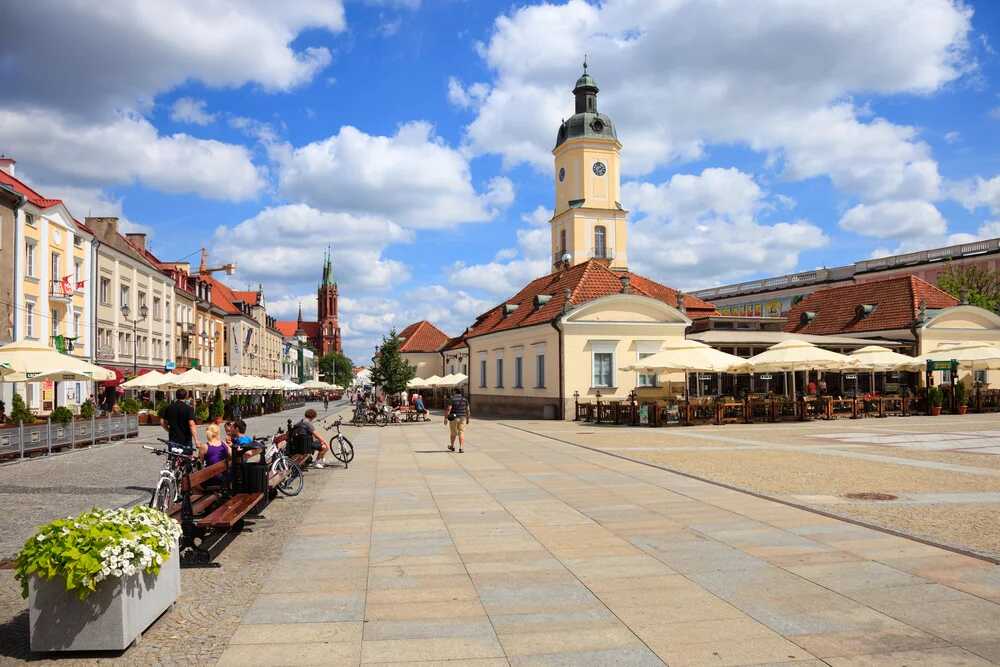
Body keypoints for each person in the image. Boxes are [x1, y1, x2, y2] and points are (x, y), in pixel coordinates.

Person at [444, 388, 469, 453]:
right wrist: (468, 418)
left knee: (453, 432)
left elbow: (449, 409)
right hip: (463, 418)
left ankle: (452, 446)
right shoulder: (465, 399)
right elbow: (468, 410)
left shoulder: (451, 399)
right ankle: (461, 448)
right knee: (461, 432)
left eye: (453, 392)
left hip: (454, 418)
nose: (452, 393)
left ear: (455, 392)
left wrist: (446, 418)